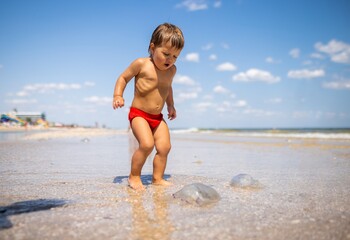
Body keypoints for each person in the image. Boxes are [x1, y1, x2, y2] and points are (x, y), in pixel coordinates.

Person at [112, 23, 185, 190]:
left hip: (157, 118)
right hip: (139, 115)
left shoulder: (171, 71)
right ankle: (134, 176)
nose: (170, 60)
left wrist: (171, 105)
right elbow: (123, 78)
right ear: (152, 48)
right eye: (166, 54)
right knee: (146, 144)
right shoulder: (141, 64)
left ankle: (157, 178)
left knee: (165, 147)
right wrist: (118, 95)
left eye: (175, 56)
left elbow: (168, 87)